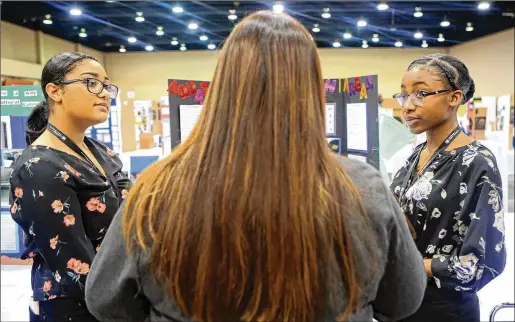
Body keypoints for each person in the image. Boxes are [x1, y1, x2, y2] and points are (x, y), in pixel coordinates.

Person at [85, 11, 427, 322]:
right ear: (310, 87)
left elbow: (107, 302)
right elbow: (402, 301)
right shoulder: (363, 187)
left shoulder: (156, 189)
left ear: (222, 83)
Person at [9, 52, 131, 322]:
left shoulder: (98, 151)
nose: (104, 93)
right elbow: (74, 266)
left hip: (120, 293)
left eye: (107, 85)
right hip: (80, 308)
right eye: (91, 82)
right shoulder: (38, 167)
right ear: (55, 91)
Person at [390, 53, 507, 322]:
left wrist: (416, 265)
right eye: (404, 95)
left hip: (445, 309)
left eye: (420, 94)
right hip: (403, 302)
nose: (407, 106)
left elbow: (484, 263)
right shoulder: (415, 155)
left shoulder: (477, 162)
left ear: (454, 98)